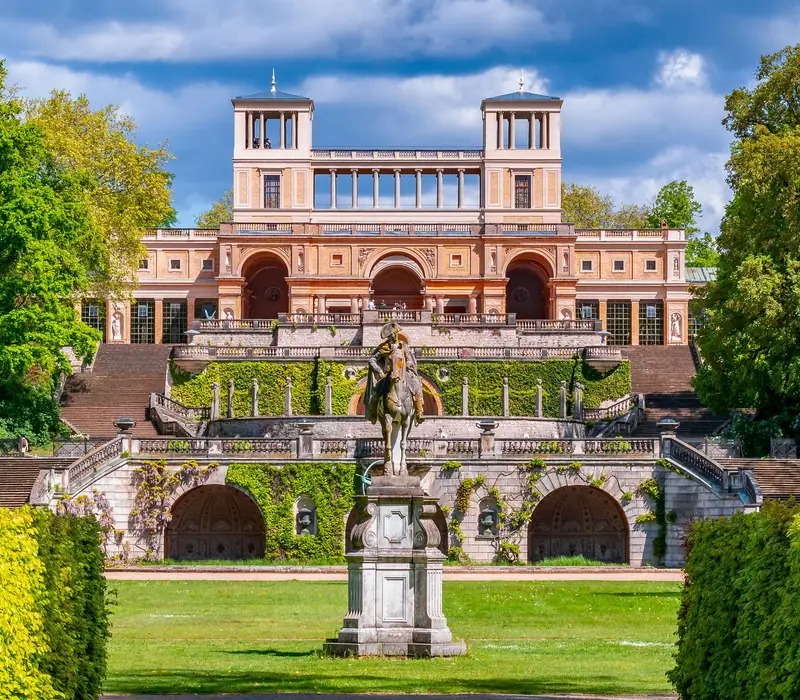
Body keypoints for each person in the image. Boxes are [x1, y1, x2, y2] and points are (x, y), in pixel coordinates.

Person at [365, 322, 424, 425]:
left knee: (417, 386)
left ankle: (419, 413)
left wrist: (409, 363)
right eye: (389, 335)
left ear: (396, 333)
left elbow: (409, 358)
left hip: (403, 372)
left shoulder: (403, 346)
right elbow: (372, 359)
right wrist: (379, 370)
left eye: (392, 334)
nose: (391, 336)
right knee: (376, 393)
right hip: (388, 374)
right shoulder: (383, 347)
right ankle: (373, 414)